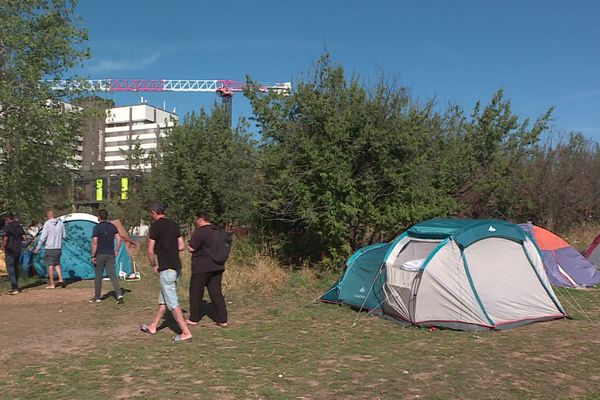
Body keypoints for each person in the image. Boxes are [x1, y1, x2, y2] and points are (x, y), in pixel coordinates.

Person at [140, 201, 192, 342]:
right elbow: (181, 246)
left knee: (172, 302)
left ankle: (185, 332)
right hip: (177, 268)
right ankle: (153, 326)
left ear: (153, 212)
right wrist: (170, 248)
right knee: (164, 299)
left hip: (166, 269)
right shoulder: (173, 224)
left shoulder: (155, 227)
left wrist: (153, 264)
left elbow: (150, 250)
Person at [186, 211, 228, 327]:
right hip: (217, 266)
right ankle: (223, 320)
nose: (196, 222)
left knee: (196, 293)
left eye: (196, 219)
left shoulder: (200, 232)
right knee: (216, 293)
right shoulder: (218, 230)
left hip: (201, 267)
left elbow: (191, 248)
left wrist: (189, 244)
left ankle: (194, 319)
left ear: (200, 219)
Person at [90, 209, 124, 304]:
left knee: (98, 276)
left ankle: (97, 297)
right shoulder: (112, 227)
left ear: (99, 217)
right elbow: (119, 238)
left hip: (100, 254)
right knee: (112, 275)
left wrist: (93, 255)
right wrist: (116, 250)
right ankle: (119, 295)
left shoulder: (97, 228)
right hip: (110, 254)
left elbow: (95, 242)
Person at [34, 210, 66, 289]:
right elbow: (64, 235)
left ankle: (52, 284)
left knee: (50, 266)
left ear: (48, 216)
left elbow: (43, 237)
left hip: (49, 247)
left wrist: (38, 247)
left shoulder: (47, 224)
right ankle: (60, 279)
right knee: (57, 264)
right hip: (58, 247)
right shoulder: (61, 223)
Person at [3, 213, 25, 294]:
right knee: (16, 267)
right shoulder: (19, 226)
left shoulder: (7, 227)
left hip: (9, 250)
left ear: (8, 219)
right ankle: (17, 285)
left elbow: (5, 239)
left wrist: (3, 246)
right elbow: (24, 237)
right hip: (18, 249)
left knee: (11, 268)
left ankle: (14, 286)